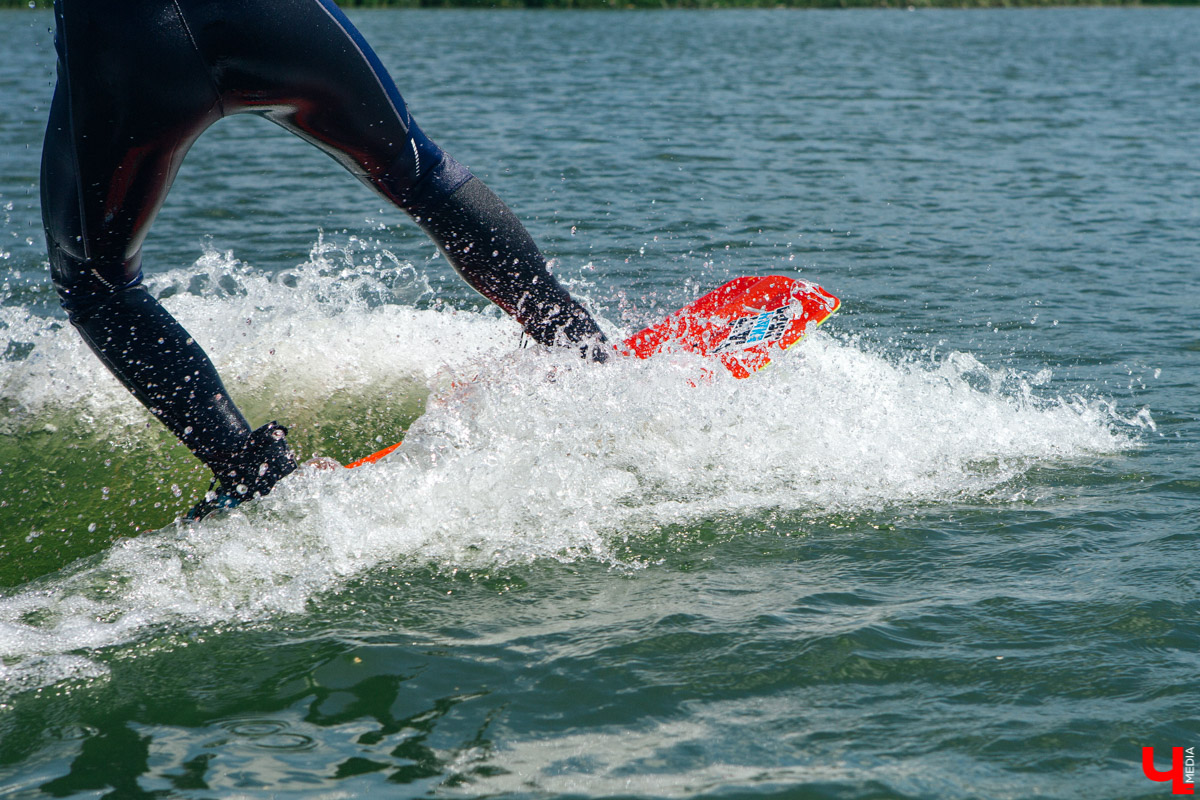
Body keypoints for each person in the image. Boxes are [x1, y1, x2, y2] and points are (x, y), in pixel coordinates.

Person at [41, 0, 609, 520]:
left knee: (94, 283)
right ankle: (579, 344)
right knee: (421, 173)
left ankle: (253, 471)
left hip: (131, 45)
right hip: (273, 21)